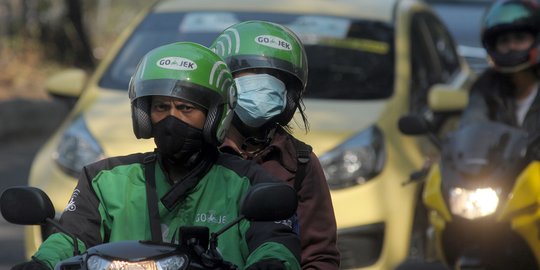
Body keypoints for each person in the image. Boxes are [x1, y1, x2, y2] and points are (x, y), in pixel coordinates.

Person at [12, 42, 301, 270]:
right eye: (161, 107)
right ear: (145, 116)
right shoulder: (105, 180)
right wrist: (44, 262)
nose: (170, 119)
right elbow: (70, 237)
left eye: (185, 108)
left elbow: (274, 241)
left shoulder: (247, 182)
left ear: (215, 117)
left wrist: (271, 262)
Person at [210, 21, 340, 270]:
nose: (263, 85)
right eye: (252, 72)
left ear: (289, 94)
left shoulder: (300, 162)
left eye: (275, 78)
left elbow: (319, 255)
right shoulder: (201, 154)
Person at [460, 0, 540, 142]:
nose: (511, 46)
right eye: (504, 40)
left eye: (520, 38)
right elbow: (472, 124)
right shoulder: (486, 86)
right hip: (497, 164)